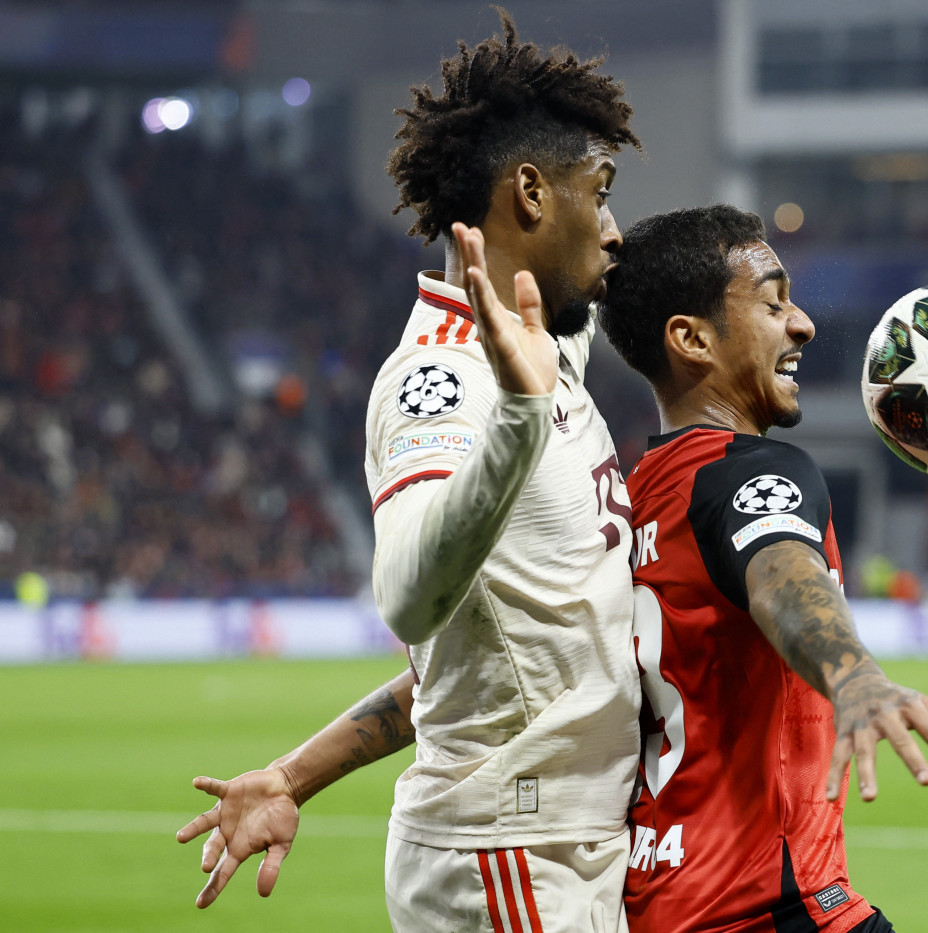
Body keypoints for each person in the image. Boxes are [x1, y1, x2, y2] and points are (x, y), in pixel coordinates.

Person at [178, 14, 643, 932]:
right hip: (508, 856)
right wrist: (515, 418)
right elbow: (407, 599)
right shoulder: (443, 383)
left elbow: (458, 662)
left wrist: (296, 773)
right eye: (602, 191)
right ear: (531, 192)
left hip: (558, 847)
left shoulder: (542, 349)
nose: (616, 226)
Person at [596, 205, 928, 932]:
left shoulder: (624, 501)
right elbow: (780, 573)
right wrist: (854, 674)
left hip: (653, 904)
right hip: (774, 906)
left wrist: (301, 769)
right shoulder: (751, 471)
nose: (803, 324)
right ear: (691, 338)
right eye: (773, 302)